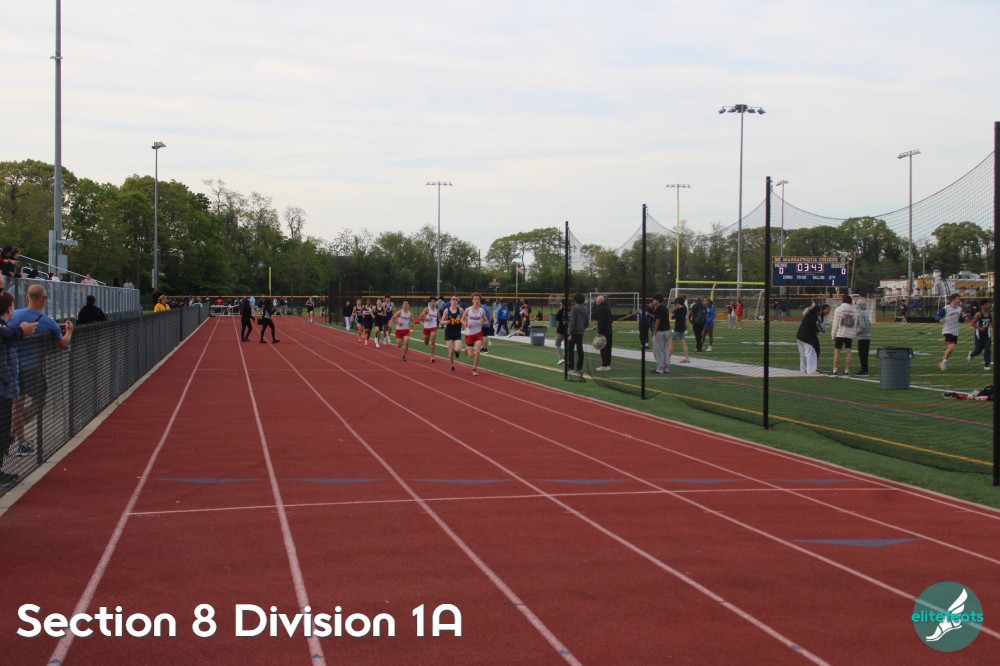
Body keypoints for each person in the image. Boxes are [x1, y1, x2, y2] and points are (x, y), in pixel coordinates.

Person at [11, 284, 73, 458]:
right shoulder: (47, 321)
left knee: (17, 405)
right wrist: (69, 332)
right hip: (32, 369)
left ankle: (20, 439)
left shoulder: (14, 316)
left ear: (27, 297)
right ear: (44, 299)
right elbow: (63, 344)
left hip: (14, 367)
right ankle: (15, 431)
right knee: (39, 401)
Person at [1, 292, 38, 484]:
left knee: (5, 424)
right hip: (4, 386)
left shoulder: (6, 327)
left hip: (7, 386)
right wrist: (22, 331)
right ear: (9, 309)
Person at [796, 303, 830, 374]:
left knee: (803, 355)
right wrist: (820, 325)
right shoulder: (815, 319)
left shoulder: (808, 315)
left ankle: (803, 370)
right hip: (808, 338)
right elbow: (819, 328)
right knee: (810, 354)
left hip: (800, 336)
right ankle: (811, 370)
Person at [934, 293, 965, 371]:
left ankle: (942, 362)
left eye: (959, 299)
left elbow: (961, 320)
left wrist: (964, 317)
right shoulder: (946, 308)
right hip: (947, 330)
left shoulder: (960, 309)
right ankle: (944, 363)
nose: (959, 300)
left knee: (950, 348)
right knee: (952, 346)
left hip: (955, 331)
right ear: (952, 299)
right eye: (957, 299)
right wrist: (940, 319)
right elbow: (937, 316)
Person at [829, 294, 857, 376]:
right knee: (849, 352)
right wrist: (853, 333)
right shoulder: (854, 311)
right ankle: (847, 371)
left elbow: (835, 323)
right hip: (849, 334)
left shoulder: (838, 309)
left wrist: (833, 335)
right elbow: (855, 324)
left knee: (837, 352)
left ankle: (835, 370)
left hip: (840, 333)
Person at [460, 293, 488, 376]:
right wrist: (466, 324)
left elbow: (486, 321)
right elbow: (462, 319)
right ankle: (467, 348)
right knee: (471, 355)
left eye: (478, 299)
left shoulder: (482, 311)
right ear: (472, 300)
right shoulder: (468, 310)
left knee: (478, 351)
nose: (476, 301)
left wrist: (483, 322)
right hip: (469, 334)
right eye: (475, 299)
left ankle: (474, 369)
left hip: (478, 333)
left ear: (480, 300)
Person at [441, 296, 464, 372]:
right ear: (450, 301)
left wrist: (464, 324)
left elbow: (464, 318)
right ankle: (452, 365)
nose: (454, 301)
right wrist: (446, 322)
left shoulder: (460, 310)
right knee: (451, 351)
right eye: (453, 299)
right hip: (449, 332)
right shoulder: (446, 310)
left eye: (456, 299)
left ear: (457, 301)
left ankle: (457, 352)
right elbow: (441, 321)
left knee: (458, 349)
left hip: (457, 332)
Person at [967, 299, 991, 371]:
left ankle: (986, 365)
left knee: (987, 349)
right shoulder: (979, 314)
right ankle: (971, 354)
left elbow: (992, 324)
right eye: (986, 304)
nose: (988, 306)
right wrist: (980, 328)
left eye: (988, 304)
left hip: (987, 335)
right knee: (978, 351)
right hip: (979, 336)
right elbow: (972, 324)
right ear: (982, 305)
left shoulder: (989, 314)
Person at [567, 293, 588, 376]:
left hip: (574, 332)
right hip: (581, 331)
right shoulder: (585, 309)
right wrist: (582, 327)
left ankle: (571, 367)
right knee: (580, 349)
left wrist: (570, 333)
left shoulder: (574, 308)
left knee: (571, 349)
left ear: (576, 300)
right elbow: (586, 323)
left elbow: (572, 321)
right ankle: (579, 367)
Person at [651, 294, 671, 374]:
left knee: (658, 350)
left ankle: (659, 368)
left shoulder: (658, 309)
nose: (653, 301)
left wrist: (655, 331)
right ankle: (666, 367)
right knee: (665, 350)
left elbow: (658, 320)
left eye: (654, 300)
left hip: (660, 331)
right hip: (667, 331)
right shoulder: (665, 308)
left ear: (657, 300)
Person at [667, 296, 691, 365]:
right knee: (683, 343)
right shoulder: (684, 308)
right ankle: (687, 358)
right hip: (682, 328)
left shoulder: (677, 310)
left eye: (675, 303)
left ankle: (668, 358)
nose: (674, 305)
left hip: (677, 328)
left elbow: (672, 317)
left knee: (671, 342)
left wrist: (674, 310)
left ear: (677, 303)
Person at [416, 297, 440, 363]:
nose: (433, 302)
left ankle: (432, 356)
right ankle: (425, 338)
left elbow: (439, 318)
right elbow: (420, 317)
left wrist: (443, 321)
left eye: (434, 301)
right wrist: (427, 319)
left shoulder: (437, 310)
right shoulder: (427, 309)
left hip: (434, 327)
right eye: (432, 301)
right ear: (429, 302)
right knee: (426, 342)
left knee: (432, 342)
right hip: (426, 328)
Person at [593, 295, 613, 371]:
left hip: (603, 332)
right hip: (609, 331)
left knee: (603, 348)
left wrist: (600, 332)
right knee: (608, 348)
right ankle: (608, 365)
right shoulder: (608, 308)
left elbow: (601, 321)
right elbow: (611, 319)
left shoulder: (601, 309)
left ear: (598, 301)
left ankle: (604, 365)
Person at [854, 300, 872, 376]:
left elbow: (863, 326)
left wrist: (856, 332)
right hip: (867, 336)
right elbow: (869, 324)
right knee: (865, 354)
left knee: (862, 354)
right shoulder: (866, 313)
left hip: (862, 337)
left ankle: (864, 370)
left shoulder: (860, 313)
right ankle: (865, 369)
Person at [554, 299, 570, 365]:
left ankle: (561, 358)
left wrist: (556, 330)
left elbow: (558, 322)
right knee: (567, 346)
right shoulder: (570, 311)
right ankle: (567, 360)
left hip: (561, 331)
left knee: (557, 344)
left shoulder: (560, 311)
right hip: (569, 331)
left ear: (563, 304)